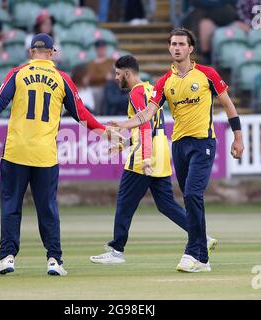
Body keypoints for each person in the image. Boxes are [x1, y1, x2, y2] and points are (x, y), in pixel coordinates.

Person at [0, 33, 120, 276]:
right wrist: (103, 132)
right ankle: (54, 260)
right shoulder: (61, 78)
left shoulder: (18, 73)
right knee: (47, 209)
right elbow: (80, 113)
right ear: (52, 52)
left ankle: (7, 257)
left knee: (11, 206)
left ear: (30, 53)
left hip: (15, 153)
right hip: (45, 156)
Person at [108, 28, 244, 273]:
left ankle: (192, 253)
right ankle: (203, 258)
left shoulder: (207, 74)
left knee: (192, 194)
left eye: (181, 44)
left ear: (190, 48)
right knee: (190, 199)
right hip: (179, 146)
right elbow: (148, 114)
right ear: (169, 48)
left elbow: (228, 105)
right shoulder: (164, 82)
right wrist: (124, 124)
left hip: (203, 143)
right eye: (173, 44)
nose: (177, 48)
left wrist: (238, 138)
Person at [90, 55, 218, 266]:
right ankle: (201, 236)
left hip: (144, 154)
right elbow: (153, 126)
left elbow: (144, 127)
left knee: (124, 202)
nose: (115, 78)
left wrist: (145, 157)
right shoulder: (151, 89)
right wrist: (122, 144)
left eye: (118, 74)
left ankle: (116, 249)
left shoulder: (137, 93)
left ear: (127, 74)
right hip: (161, 152)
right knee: (166, 204)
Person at [87, 39, 115, 114]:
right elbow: (90, 78)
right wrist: (105, 77)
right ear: (96, 49)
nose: (101, 50)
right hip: (98, 88)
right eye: (99, 48)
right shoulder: (92, 63)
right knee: (97, 94)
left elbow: (115, 73)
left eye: (103, 47)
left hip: (111, 87)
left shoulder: (111, 61)